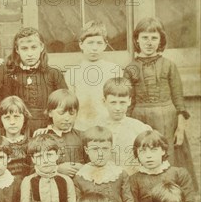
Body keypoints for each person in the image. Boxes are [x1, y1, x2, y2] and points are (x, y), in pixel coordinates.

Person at [124, 17, 198, 189]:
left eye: (154, 38)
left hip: (168, 121)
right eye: (145, 38)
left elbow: (179, 100)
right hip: (140, 119)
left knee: (168, 161)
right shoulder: (130, 68)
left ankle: (170, 200)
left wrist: (180, 128)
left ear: (161, 40)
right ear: (136, 40)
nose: (149, 42)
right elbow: (129, 103)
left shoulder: (170, 66)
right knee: (144, 157)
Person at [129, 130, 198, 202]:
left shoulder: (179, 174)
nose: (148, 156)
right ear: (137, 154)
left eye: (154, 150)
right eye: (143, 151)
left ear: (163, 151)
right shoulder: (134, 180)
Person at [73, 126, 135, 202]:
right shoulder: (80, 177)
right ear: (87, 150)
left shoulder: (120, 174)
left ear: (111, 149)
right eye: (95, 149)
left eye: (105, 149)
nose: (100, 154)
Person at [0, 27, 68, 132]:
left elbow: (64, 104)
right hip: (20, 130)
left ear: (41, 47)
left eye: (34, 47)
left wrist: (51, 127)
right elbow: (5, 106)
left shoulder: (54, 74)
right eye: (24, 48)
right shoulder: (11, 76)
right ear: (17, 50)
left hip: (48, 129)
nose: (30, 53)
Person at [64, 21, 122, 131]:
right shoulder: (72, 72)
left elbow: (120, 99)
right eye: (90, 43)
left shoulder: (114, 70)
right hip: (81, 126)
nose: (94, 48)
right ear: (81, 44)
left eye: (99, 43)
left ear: (105, 45)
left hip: (107, 127)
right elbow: (69, 104)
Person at [99, 77, 151, 176]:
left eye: (122, 102)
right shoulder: (98, 128)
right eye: (113, 102)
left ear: (129, 101)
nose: (118, 108)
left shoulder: (140, 129)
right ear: (104, 101)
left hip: (133, 181)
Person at [35, 89, 85, 177]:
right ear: (50, 113)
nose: (67, 118)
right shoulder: (41, 137)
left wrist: (83, 168)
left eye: (71, 113)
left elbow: (94, 165)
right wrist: (56, 168)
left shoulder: (82, 136)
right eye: (61, 113)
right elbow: (33, 168)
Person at [0, 95, 32, 179]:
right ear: (1, 120)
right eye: (7, 117)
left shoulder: (30, 142)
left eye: (16, 117)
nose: (12, 122)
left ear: (24, 118)